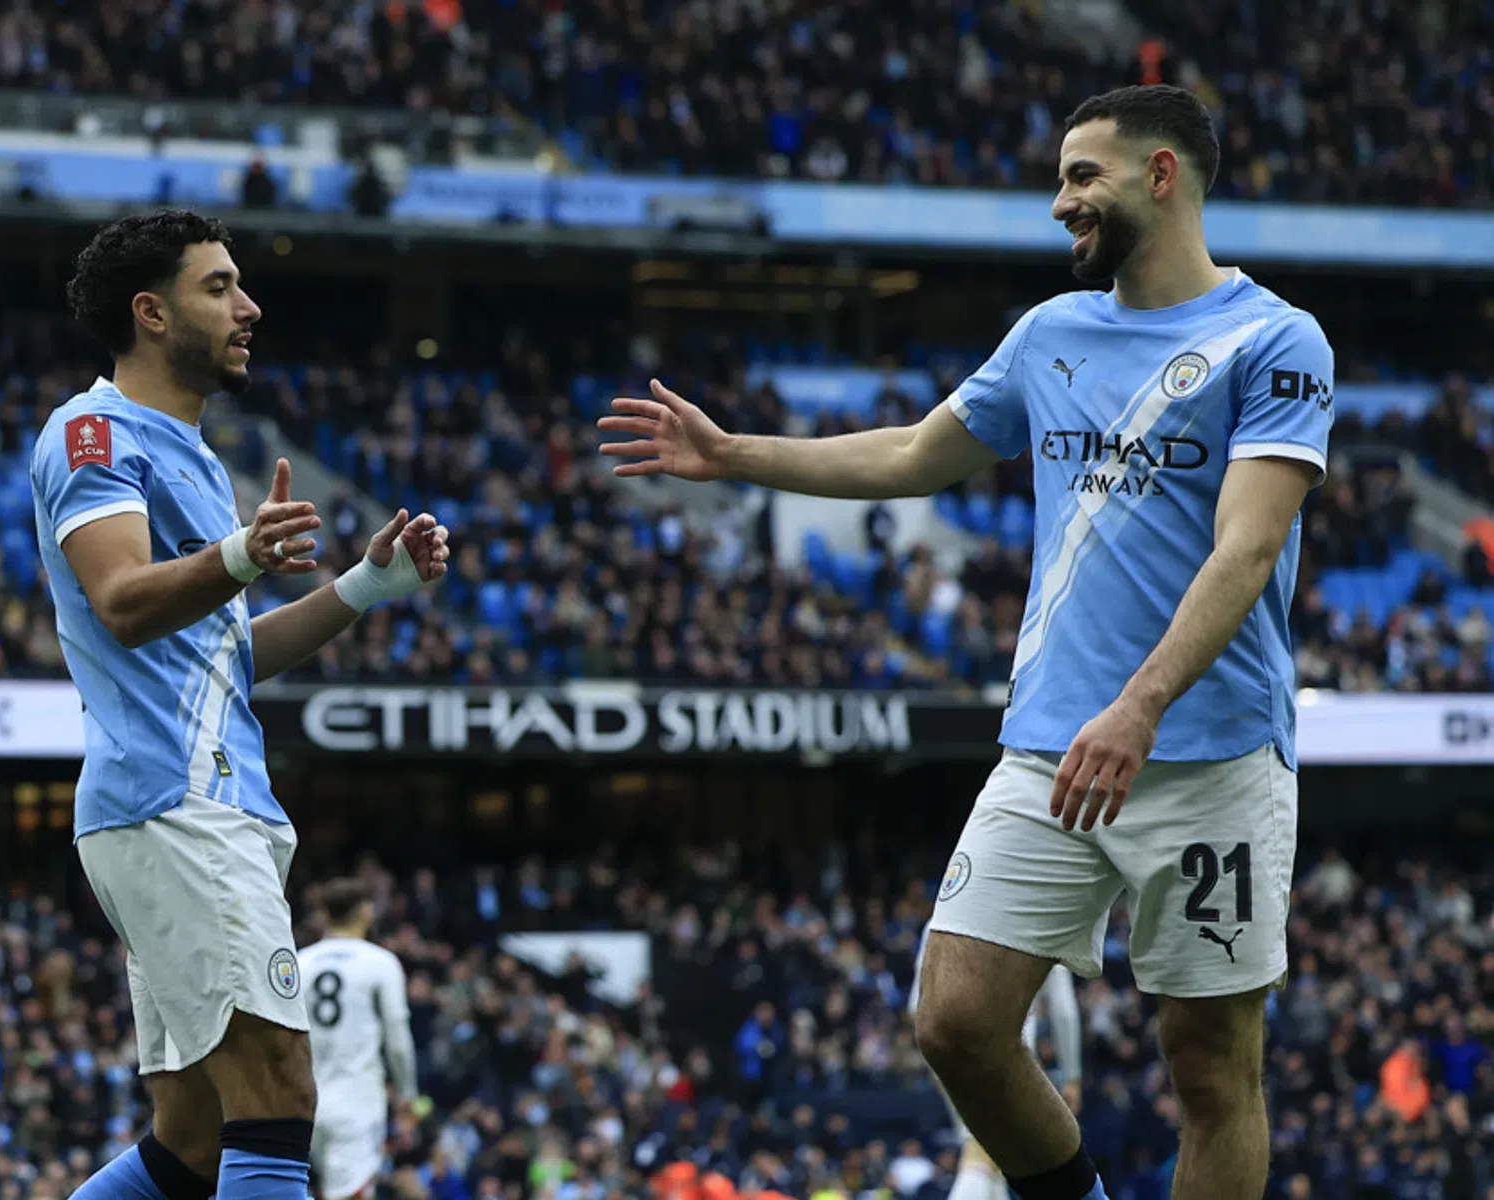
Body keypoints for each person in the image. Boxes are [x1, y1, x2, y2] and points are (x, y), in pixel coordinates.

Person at [597, 84, 1333, 1200]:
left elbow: (1244, 549)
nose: (1059, 203)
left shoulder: (1275, 342)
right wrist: (734, 452)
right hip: (1047, 748)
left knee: (1209, 1070)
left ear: (1160, 175)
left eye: (1081, 176)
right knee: (952, 1019)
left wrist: (1138, 707)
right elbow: (910, 457)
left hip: (1212, 762)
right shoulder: (1048, 334)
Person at [31, 210, 451, 1200]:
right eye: (218, 286)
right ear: (149, 312)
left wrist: (358, 589)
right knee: (275, 1094)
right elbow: (124, 603)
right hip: (177, 809)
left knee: (197, 1142)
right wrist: (236, 556)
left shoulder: (192, 457)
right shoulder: (93, 434)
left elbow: (223, 656)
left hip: (205, 809)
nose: (248, 305)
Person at [910, 923, 1082, 1200]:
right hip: (1004, 1050)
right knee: (982, 1157)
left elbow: (914, 1005)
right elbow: (1063, 1010)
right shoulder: (1043, 915)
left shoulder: (943, 913)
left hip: (944, 1050)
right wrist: (1073, 1076)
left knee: (995, 1161)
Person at [297, 879, 420, 1200]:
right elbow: (397, 1038)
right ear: (366, 913)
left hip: (304, 1101)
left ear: (324, 915)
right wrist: (407, 1093)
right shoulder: (380, 963)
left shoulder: (299, 962)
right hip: (357, 1100)